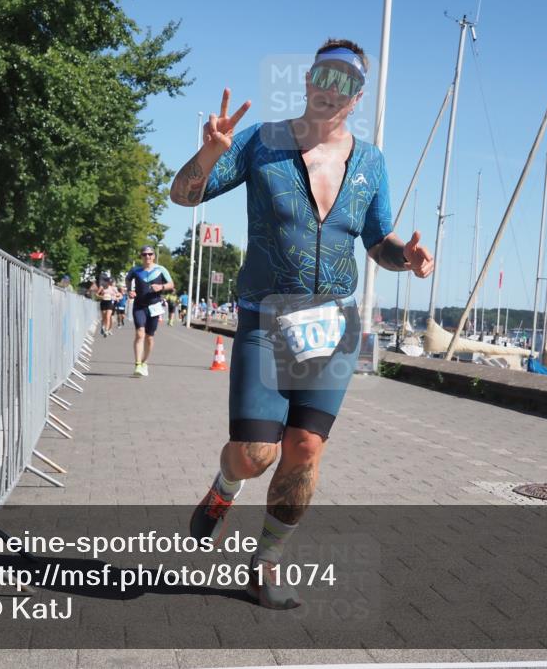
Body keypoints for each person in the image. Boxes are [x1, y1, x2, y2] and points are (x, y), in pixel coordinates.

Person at [169, 39, 434, 609]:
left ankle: (264, 566)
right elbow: (183, 195)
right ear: (310, 81)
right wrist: (210, 153)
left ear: (357, 96)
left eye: (346, 82)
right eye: (325, 76)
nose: (332, 89)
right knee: (255, 454)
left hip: (332, 323)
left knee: (306, 448)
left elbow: (377, 240)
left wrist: (403, 257)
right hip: (265, 317)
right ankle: (225, 486)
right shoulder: (261, 142)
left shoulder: (372, 162)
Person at [125, 246, 174, 377]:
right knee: (140, 334)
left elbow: (171, 284)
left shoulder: (160, 269)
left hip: (154, 306)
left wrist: (161, 287)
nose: (147, 256)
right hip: (139, 306)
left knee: (149, 337)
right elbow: (128, 279)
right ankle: (137, 364)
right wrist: (129, 290)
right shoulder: (135, 270)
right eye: (144, 254)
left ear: (154, 256)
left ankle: (145, 362)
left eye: (150, 254)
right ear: (141, 256)